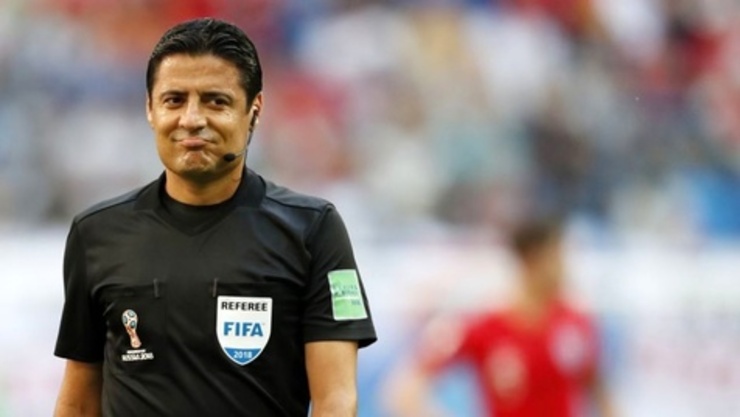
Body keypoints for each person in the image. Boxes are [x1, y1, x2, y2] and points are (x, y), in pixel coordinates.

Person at [53, 17, 376, 417]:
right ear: (150, 109)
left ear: (254, 111)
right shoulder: (96, 233)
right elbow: (79, 400)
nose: (192, 119)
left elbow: (336, 401)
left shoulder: (313, 229)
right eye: (174, 100)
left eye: (215, 101)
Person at [384, 218, 616, 417]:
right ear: (531, 259)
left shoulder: (576, 323)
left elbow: (599, 389)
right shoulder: (483, 326)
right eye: (557, 258)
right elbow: (405, 391)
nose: (565, 269)